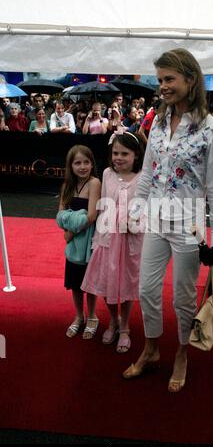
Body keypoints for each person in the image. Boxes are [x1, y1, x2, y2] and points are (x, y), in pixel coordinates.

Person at [122, 48, 213, 392]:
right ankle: (151, 349)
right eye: (160, 80)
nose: (163, 86)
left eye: (169, 79)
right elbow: (149, 173)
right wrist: (137, 211)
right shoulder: (156, 121)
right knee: (146, 289)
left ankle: (182, 353)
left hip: (189, 226)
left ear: (191, 79)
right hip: (155, 219)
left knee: (183, 298)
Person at [81, 131, 145, 353]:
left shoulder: (143, 177)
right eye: (115, 153)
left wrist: (135, 221)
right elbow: (103, 206)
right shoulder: (107, 174)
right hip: (108, 237)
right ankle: (114, 319)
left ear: (136, 155)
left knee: (127, 283)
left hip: (130, 240)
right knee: (106, 282)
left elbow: (147, 206)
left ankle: (125, 326)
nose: (118, 157)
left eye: (124, 153)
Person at [57, 145, 101, 339]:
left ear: (92, 164)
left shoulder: (94, 183)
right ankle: (79, 316)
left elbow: (91, 215)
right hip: (73, 245)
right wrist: (74, 220)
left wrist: (71, 230)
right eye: (77, 163)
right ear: (70, 165)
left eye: (86, 162)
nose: (82, 166)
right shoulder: (67, 185)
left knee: (88, 283)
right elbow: (60, 216)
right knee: (75, 284)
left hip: (89, 241)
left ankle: (92, 316)